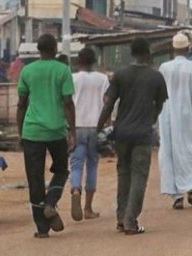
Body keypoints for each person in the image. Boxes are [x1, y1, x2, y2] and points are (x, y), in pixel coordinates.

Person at [97, 37, 168, 235]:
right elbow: (160, 104)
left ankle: (121, 218)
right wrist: (151, 119)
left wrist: (98, 128)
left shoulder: (120, 74)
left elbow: (109, 104)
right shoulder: (156, 77)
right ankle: (130, 220)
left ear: (131, 53)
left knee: (124, 174)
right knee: (139, 176)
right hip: (142, 134)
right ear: (148, 53)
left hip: (121, 134)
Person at [17, 34, 76, 238]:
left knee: (35, 179)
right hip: (56, 130)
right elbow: (68, 102)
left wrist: (20, 133)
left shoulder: (27, 71)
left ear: (38, 49)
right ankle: (51, 202)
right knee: (61, 169)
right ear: (55, 47)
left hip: (32, 131)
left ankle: (42, 229)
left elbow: (21, 104)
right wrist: (73, 131)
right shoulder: (62, 70)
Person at [158, 33, 192, 210]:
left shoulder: (164, 68)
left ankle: (177, 196)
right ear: (188, 49)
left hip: (167, 117)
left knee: (170, 153)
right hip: (188, 117)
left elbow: (157, 95)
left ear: (173, 49)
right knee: (191, 152)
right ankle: (191, 190)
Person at [70, 47, 109, 222]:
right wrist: (107, 123)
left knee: (77, 164)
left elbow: (67, 103)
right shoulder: (102, 79)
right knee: (92, 166)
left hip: (77, 126)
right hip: (96, 127)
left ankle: (76, 189)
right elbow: (107, 103)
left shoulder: (72, 78)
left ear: (79, 61)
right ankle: (87, 208)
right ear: (94, 61)